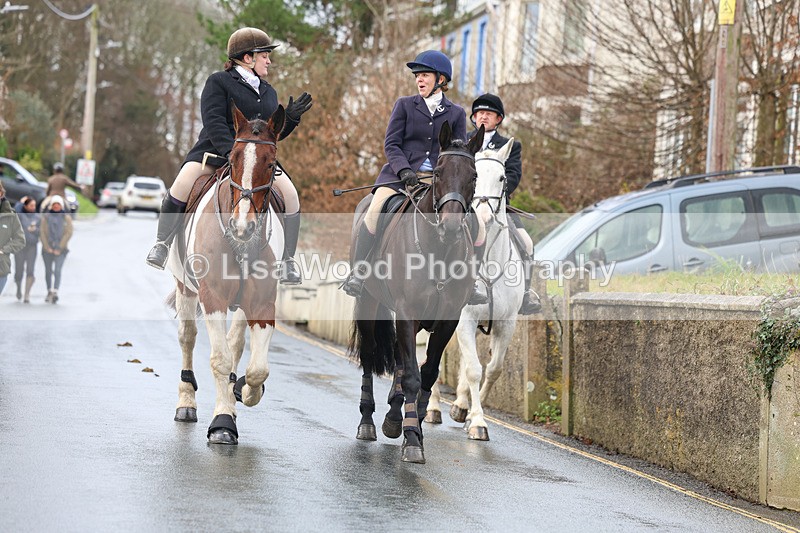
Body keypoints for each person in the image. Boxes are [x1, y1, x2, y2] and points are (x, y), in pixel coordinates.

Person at [145, 27, 313, 285]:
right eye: (264, 55)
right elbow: (213, 122)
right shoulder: (218, 82)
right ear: (248, 58)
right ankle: (162, 244)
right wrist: (233, 155)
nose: (269, 60)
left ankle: (288, 260)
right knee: (180, 185)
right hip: (213, 154)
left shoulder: (268, 91)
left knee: (290, 195)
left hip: (255, 164)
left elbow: (270, 136)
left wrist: (289, 119)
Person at [341, 50, 487, 304]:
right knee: (374, 212)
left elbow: (459, 152)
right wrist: (404, 170)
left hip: (440, 182)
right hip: (400, 178)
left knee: (479, 226)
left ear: (441, 79)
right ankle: (359, 272)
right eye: (417, 76)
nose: (419, 80)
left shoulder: (455, 113)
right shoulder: (405, 105)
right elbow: (392, 144)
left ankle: (471, 282)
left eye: (425, 75)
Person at [469, 93, 540, 314]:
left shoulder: (511, 146)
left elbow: (513, 175)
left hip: (499, 207)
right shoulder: (464, 143)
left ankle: (526, 294)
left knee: (527, 243)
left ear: (498, 119)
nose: (483, 117)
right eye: (479, 113)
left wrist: (496, 197)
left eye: (488, 114)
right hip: (468, 206)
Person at [40, 195, 73, 304]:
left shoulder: (66, 218)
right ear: (51, 206)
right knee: (48, 271)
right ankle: (49, 290)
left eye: (58, 204)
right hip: (47, 249)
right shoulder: (46, 217)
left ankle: (55, 291)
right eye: (54, 204)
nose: (56, 206)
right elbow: (42, 233)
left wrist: (59, 247)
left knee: (58, 270)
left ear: (61, 206)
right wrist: (47, 247)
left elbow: (69, 233)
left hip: (61, 249)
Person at [0, 182, 26, 297]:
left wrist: (4, 250)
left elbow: (20, 240)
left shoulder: (11, 216)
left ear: (1, 193)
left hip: (1, 269)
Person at [13, 196, 40, 303]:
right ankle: (18, 288)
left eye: (34, 205)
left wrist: (36, 230)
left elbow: (42, 231)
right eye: (31, 205)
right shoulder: (19, 216)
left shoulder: (38, 217)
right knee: (19, 271)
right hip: (20, 247)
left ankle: (27, 294)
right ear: (26, 206)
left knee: (30, 270)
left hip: (32, 247)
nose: (33, 207)